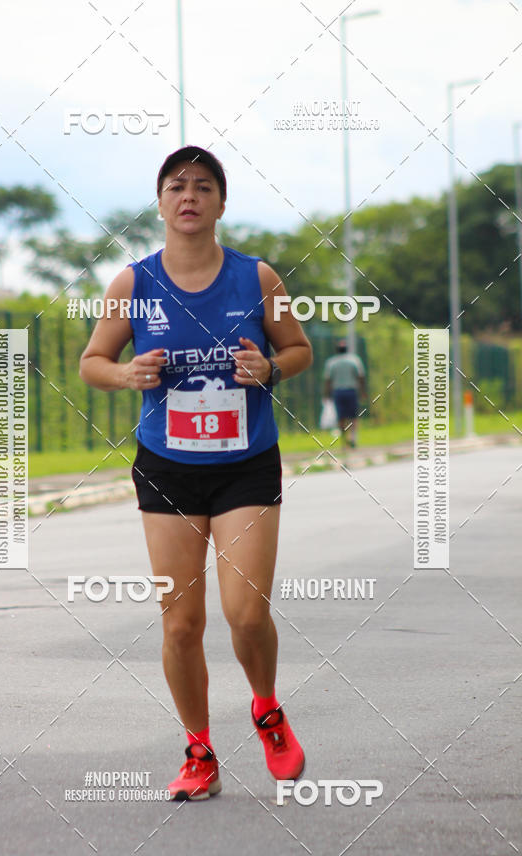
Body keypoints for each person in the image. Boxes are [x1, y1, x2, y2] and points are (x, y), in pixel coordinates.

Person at [79, 146, 312, 800]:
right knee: (180, 622)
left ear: (220, 203)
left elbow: (298, 348)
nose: (189, 196)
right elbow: (92, 361)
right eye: (177, 186)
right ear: (159, 203)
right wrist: (126, 373)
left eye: (203, 187)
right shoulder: (133, 285)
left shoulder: (257, 279)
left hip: (244, 465)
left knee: (245, 614)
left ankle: (266, 709)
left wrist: (271, 368)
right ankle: (200, 752)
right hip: (167, 470)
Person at [323, 338, 367, 448]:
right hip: (351, 391)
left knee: (341, 417)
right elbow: (361, 377)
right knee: (353, 416)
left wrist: (326, 394)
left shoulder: (331, 362)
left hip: (338, 392)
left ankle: (344, 440)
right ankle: (353, 437)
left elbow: (328, 380)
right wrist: (363, 391)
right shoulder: (354, 360)